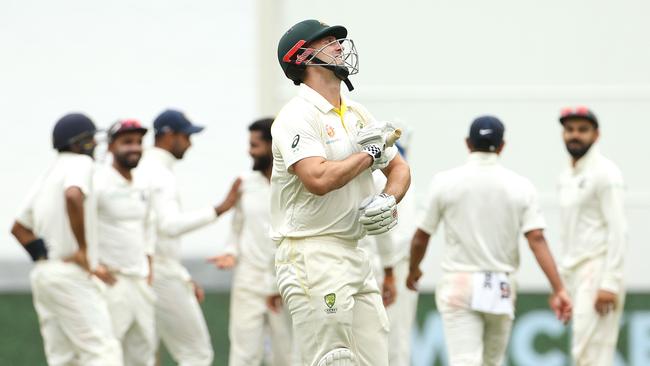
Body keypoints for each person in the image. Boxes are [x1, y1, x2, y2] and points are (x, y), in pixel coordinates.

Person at [272, 19, 411, 366]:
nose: (338, 47)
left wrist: (388, 198)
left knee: (374, 360)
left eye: (337, 41)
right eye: (328, 41)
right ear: (302, 56)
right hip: (310, 252)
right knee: (332, 359)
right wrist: (369, 155)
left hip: (355, 252)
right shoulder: (296, 116)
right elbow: (317, 179)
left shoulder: (358, 113)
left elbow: (400, 168)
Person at [406, 116, 572, 366]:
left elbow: (421, 237)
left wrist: (413, 269)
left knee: (464, 360)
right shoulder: (521, 186)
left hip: (459, 282)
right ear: (502, 146)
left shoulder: (445, 182)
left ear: (467, 143)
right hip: (500, 285)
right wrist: (558, 288)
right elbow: (536, 238)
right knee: (492, 363)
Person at [10, 113, 122, 365]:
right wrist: (82, 249)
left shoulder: (48, 175)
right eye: (91, 139)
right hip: (72, 275)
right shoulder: (80, 165)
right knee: (103, 352)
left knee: (64, 358)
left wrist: (46, 257)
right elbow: (73, 195)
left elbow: (19, 228)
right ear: (78, 143)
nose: (95, 144)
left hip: (45, 275)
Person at [136, 109, 240, 365]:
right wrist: (219, 209)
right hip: (159, 272)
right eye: (186, 136)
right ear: (169, 136)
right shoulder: (159, 174)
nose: (190, 144)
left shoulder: (141, 168)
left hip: (143, 270)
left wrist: (182, 276)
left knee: (145, 355)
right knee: (196, 354)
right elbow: (168, 227)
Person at [208, 118, 296, 366]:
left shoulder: (295, 182)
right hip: (248, 280)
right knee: (244, 355)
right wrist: (230, 252)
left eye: (255, 145)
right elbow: (236, 228)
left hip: (286, 282)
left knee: (285, 354)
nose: (250, 151)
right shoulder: (244, 183)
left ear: (273, 145)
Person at [556, 106, 627, 366]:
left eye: (582, 130)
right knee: (583, 352)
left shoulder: (606, 173)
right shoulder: (566, 176)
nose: (575, 135)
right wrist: (562, 283)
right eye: (570, 130)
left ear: (596, 135)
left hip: (598, 270)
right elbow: (569, 231)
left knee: (591, 354)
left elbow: (619, 230)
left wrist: (610, 282)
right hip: (575, 272)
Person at [95, 119, 156, 366]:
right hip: (111, 281)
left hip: (140, 281)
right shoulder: (98, 181)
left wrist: (149, 266)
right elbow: (78, 226)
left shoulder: (142, 183)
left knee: (144, 354)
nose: (134, 147)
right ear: (110, 147)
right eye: (127, 142)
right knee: (108, 355)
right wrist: (93, 265)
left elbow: (148, 227)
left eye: (139, 142)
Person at [358, 126, 418, 366]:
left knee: (386, 338)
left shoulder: (378, 177)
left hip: (383, 263)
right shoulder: (386, 178)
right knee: (392, 338)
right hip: (386, 264)